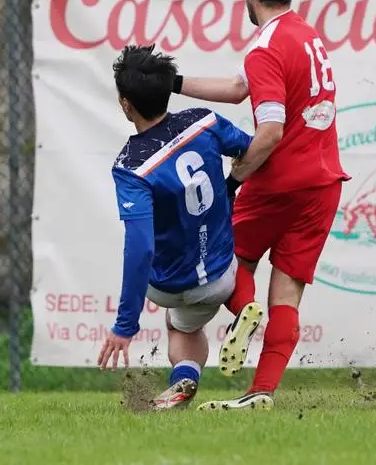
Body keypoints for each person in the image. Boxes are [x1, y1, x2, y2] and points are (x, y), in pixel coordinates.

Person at [174, 0, 349, 411]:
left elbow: (269, 130)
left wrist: (234, 179)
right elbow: (237, 90)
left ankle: (243, 314)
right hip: (323, 183)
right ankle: (262, 393)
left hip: (278, 184)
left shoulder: (266, 47)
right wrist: (175, 81)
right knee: (288, 293)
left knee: (231, 270)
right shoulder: (307, 36)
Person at [97, 45, 263, 410]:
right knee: (232, 264)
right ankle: (244, 307)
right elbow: (250, 149)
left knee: (182, 325)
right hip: (220, 274)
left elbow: (140, 248)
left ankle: (184, 378)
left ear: (126, 104)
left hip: (168, 287)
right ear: (167, 88)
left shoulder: (129, 166)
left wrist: (126, 325)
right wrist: (230, 186)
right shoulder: (203, 121)